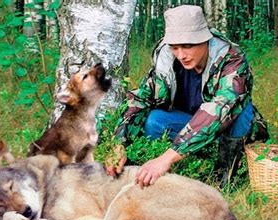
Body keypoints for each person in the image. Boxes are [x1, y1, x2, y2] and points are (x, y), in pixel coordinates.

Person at [114, 5, 268, 187]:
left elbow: (221, 109)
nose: (181, 55)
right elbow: (140, 98)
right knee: (155, 120)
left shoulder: (232, 60)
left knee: (242, 112)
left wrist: (167, 158)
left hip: (229, 129)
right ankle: (175, 165)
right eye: (175, 47)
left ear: (205, 40)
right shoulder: (167, 61)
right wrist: (119, 145)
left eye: (188, 46)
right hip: (189, 122)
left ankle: (227, 176)